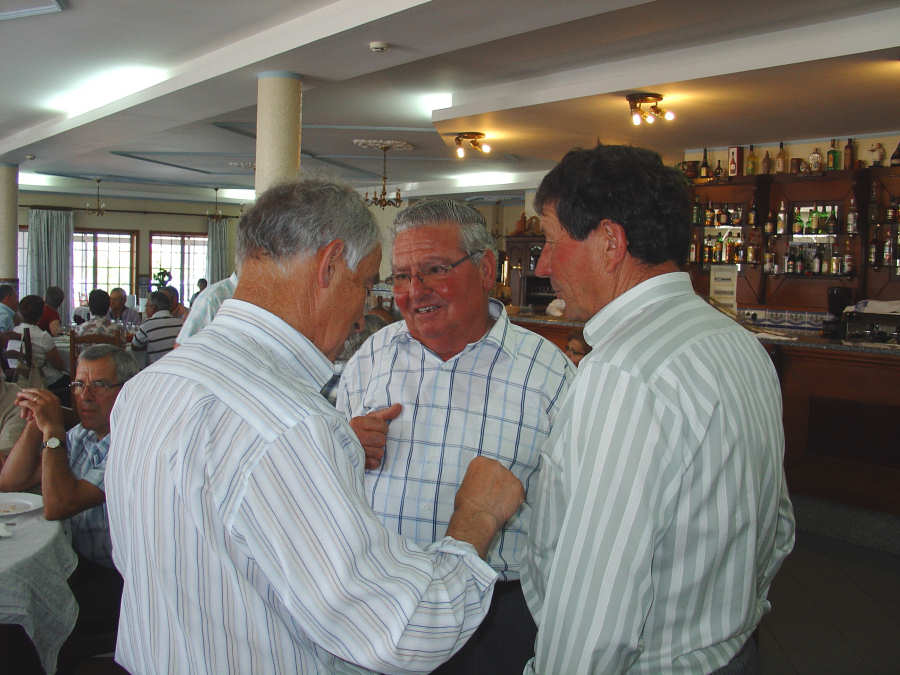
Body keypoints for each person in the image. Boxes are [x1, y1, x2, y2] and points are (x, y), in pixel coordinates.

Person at [106, 178, 525, 675]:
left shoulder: (151, 385)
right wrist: (476, 517)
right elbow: (402, 633)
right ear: (330, 265)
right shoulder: (288, 425)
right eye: (364, 285)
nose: (362, 315)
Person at [521, 145, 796, 674]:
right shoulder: (738, 343)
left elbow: (598, 606)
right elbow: (776, 525)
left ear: (610, 242)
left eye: (552, 241)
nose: (543, 265)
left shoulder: (624, 374)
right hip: (734, 651)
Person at [336, 199, 575, 675]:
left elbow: (573, 518)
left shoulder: (548, 375)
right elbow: (328, 485)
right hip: (381, 602)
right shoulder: (371, 357)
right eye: (401, 276)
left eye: (434, 270)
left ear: (485, 269)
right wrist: (343, 446)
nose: (413, 291)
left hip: (496, 617)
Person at [0, 344, 138, 670]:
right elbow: (11, 482)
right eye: (78, 384)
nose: (85, 396)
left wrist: (52, 431)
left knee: (16, 624)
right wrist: (36, 423)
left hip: (114, 579)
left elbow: (59, 505)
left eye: (99, 385)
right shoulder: (83, 435)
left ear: (128, 390)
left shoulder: (128, 443)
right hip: (74, 560)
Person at [6, 295, 70, 404]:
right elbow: (58, 365)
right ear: (41, 314)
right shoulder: (43, 336)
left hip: (16, 380)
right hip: (38, 380)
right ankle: (65, 411)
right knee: (70, 381)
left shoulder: (14, 331)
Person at [174, 271, 237, 346]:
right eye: (200, 284)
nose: (201, 286)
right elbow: (183, 345)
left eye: (203, 284)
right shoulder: (211, 298)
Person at [130, 290, 181, 365]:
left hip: (157, 368)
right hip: (178, 366)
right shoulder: (180, 323)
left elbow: (134, 346)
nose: (145, 309)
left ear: (153, 307)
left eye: (146, 306)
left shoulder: (147, 325)